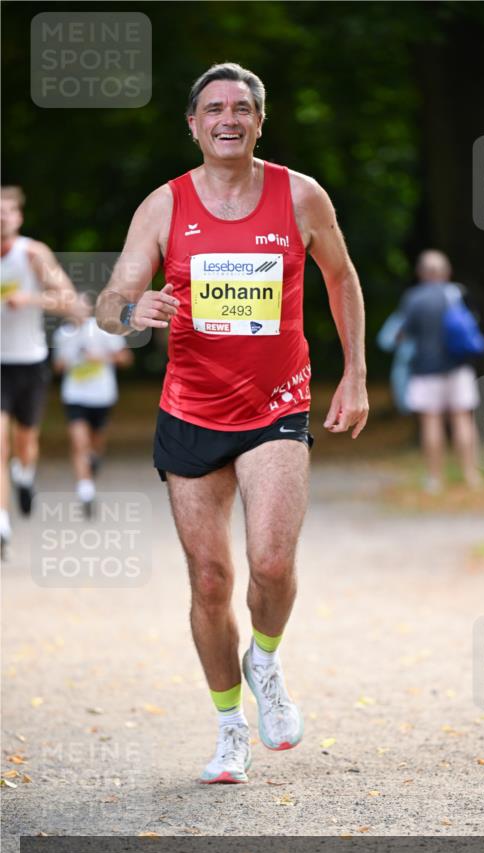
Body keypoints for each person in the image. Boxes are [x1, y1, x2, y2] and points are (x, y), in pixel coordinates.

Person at [96, 62, 368, 785]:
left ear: (258, 121)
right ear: (192, 123)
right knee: (211, 579)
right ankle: (227, 729)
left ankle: (266, 662)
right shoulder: (163, 206)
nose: (227, 117)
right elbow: (111, 299)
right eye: (213, 107)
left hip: (277, 402)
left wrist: (357, 374)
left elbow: (341, 277)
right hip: (190, 409)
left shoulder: (300, 195)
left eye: (242, 107)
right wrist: (132, 310)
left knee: (271, 566)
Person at [0, 186, 88, 559]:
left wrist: (31, 298)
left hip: (30, 363)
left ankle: (25, 474)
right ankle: (2, 524)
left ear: (19, 217)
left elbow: (73, 304)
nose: (2, 218)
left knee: (24, 443)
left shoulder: (33, 255)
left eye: (8, 212)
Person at [399, 250, 482, 493]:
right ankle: (471, 475)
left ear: (421, 272)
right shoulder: (457, 293)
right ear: (446, 272)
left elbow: (404, 333)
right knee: (463, 419)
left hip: (425, 369)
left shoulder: (414, 298)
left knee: (431, 422)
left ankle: (434, 479)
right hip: (458, 367)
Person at [52, 297, 134, 517]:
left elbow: (126, 358)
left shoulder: (101, 331)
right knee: (79, 443)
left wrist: (101, 357)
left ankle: (93, 462)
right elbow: (57, 367)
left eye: (81, 306)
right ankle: (85, 490)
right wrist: (68, 360)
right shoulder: (62, 335)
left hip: (102, 397)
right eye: (73, 306)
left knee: (95, 443)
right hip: (74, 396)